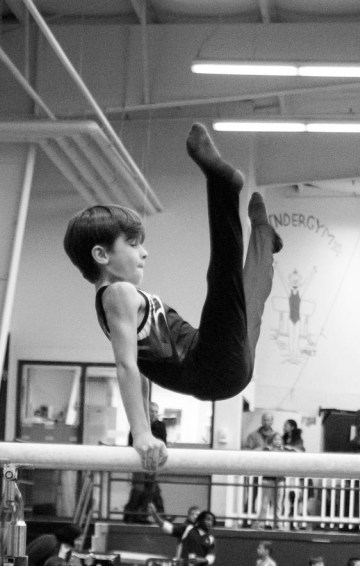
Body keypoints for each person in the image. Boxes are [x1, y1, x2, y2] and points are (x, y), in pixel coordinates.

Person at [64, 124, 281, 472]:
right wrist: (141, 433)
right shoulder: (118, 294)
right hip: (210, 366)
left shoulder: (117, 300)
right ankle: (222, 187)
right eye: (133, 244)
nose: (144, 252)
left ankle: (264, 237)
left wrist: (146, 430)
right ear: (101, 255)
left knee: (247, 297)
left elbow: (139, 369)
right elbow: (126, 366)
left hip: (221, 367)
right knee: (224, 282)